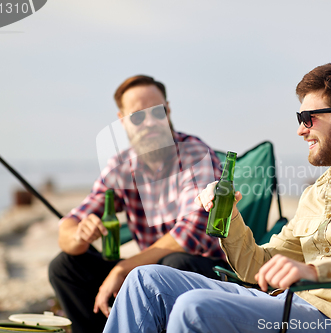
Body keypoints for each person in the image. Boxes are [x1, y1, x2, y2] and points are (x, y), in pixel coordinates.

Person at [102, 63, 331, 333]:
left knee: (194, 308)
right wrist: (230, 217)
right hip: (284, 305)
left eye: (309, 118)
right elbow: (257, 267)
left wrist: (315, 271)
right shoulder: (317, 191)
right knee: (145, 280)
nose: (300, 130)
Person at [48, 75, 228, 333]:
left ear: (168, 110)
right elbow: (71, 223)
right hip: (145, 272)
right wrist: (78, 235)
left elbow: (189, 235)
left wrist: (124, 267)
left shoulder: (196, 154)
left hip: (203, 270)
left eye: (157, 112)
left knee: (173, 264)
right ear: (122, 120)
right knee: (64, 265)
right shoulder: (121, 166)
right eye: (138, 117)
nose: (151, 122)